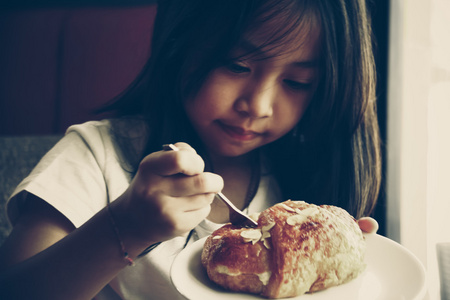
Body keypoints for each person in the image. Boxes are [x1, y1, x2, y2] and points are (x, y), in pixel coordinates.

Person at [0, 0, 381, 299]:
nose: (259, 105)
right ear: (180, 42)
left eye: (297, 82)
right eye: (236, 65)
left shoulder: (302, 175)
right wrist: (124, 228)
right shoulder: (98, 155)